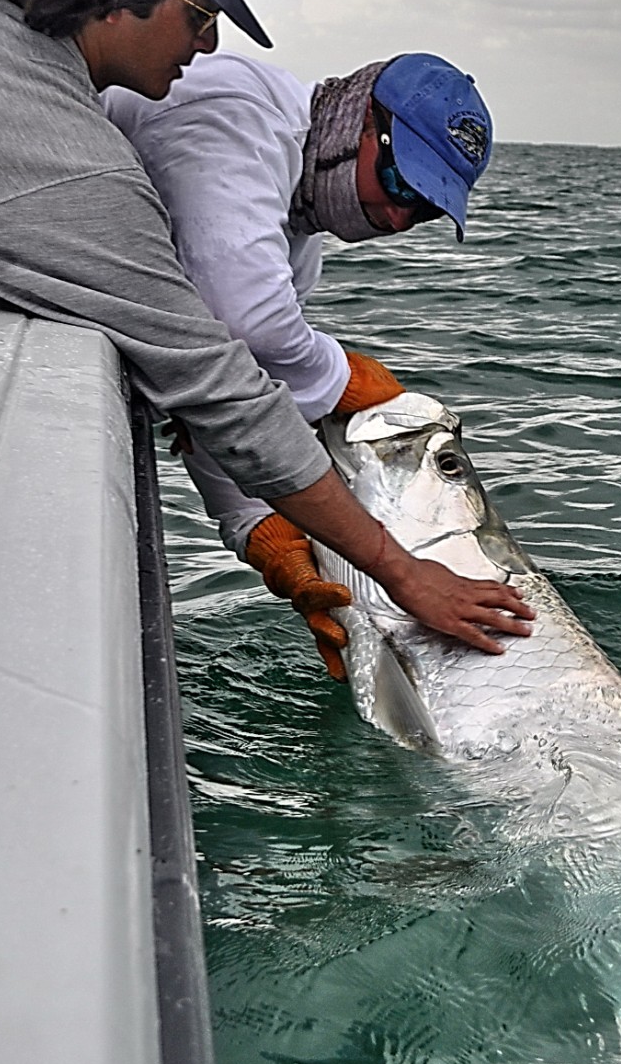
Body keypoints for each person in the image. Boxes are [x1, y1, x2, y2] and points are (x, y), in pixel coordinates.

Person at [0, 0, 533, 654]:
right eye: (200, 17)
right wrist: (400, 570)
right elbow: (224, 359)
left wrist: (264, 529)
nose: (206, 49)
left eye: (424, 214)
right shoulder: (112, 157)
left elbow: (213, 373)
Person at [104, 45, 496, 677]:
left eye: (424, 209)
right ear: (358, 122)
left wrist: (265, 532)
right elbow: (244, 320)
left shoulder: (296, 248)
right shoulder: (241, 111)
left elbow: (227, 389)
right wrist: (341, 378)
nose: (397, 217)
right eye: (400, 181)